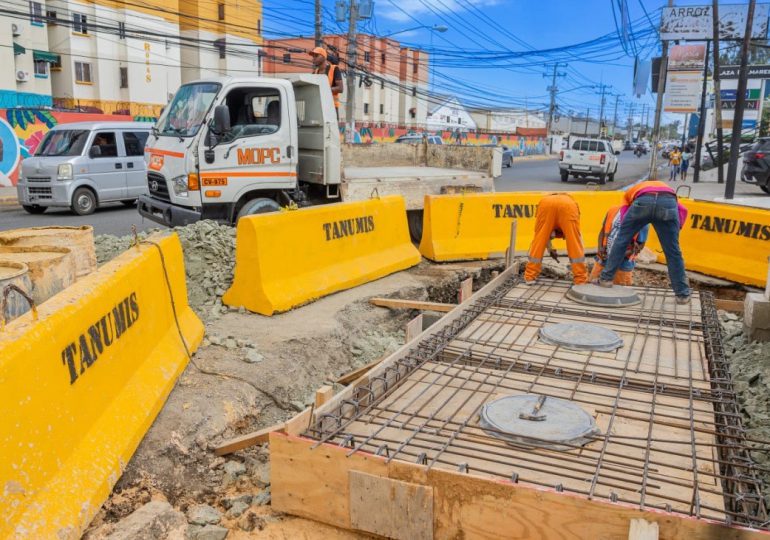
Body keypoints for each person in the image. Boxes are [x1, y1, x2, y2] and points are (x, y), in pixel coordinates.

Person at [597, 180, 691, 304]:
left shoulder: (629, 194)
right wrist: (672, 236)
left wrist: (628, 236)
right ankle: (682, 294)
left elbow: (624, 217)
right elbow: (682, 211)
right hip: (667, 203)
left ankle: (606, 279)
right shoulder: (670, 192)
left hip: (643, 201)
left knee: (621, 240)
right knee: (673, 251)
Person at [524, 193, 587, 285]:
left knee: (539, 240)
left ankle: (530, 277)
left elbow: (544, 237)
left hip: (546, 204)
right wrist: (551, 249)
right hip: (568, 205)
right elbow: (577, 241)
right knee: (574, 243)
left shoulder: (550, 229)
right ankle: (580, 279)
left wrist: (550, 249)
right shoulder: (568, 205)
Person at [589, 205, 649, 286]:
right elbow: (603, 230)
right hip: (602, 260)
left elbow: (640, 246)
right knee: (592, 289)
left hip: (622, 265)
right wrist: (600, 248)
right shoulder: (613, 210)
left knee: (618, 293)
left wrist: (617, 255)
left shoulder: (643, 219)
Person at [309, 47, 343, 118]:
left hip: (331, 107)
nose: (314, 58)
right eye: (313, 56)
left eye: (316, 56)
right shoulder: (314, 73)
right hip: (318, 107)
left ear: (324, 57)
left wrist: (324, 89)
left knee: (331, 128)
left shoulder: (334, 69)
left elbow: (340, 88)